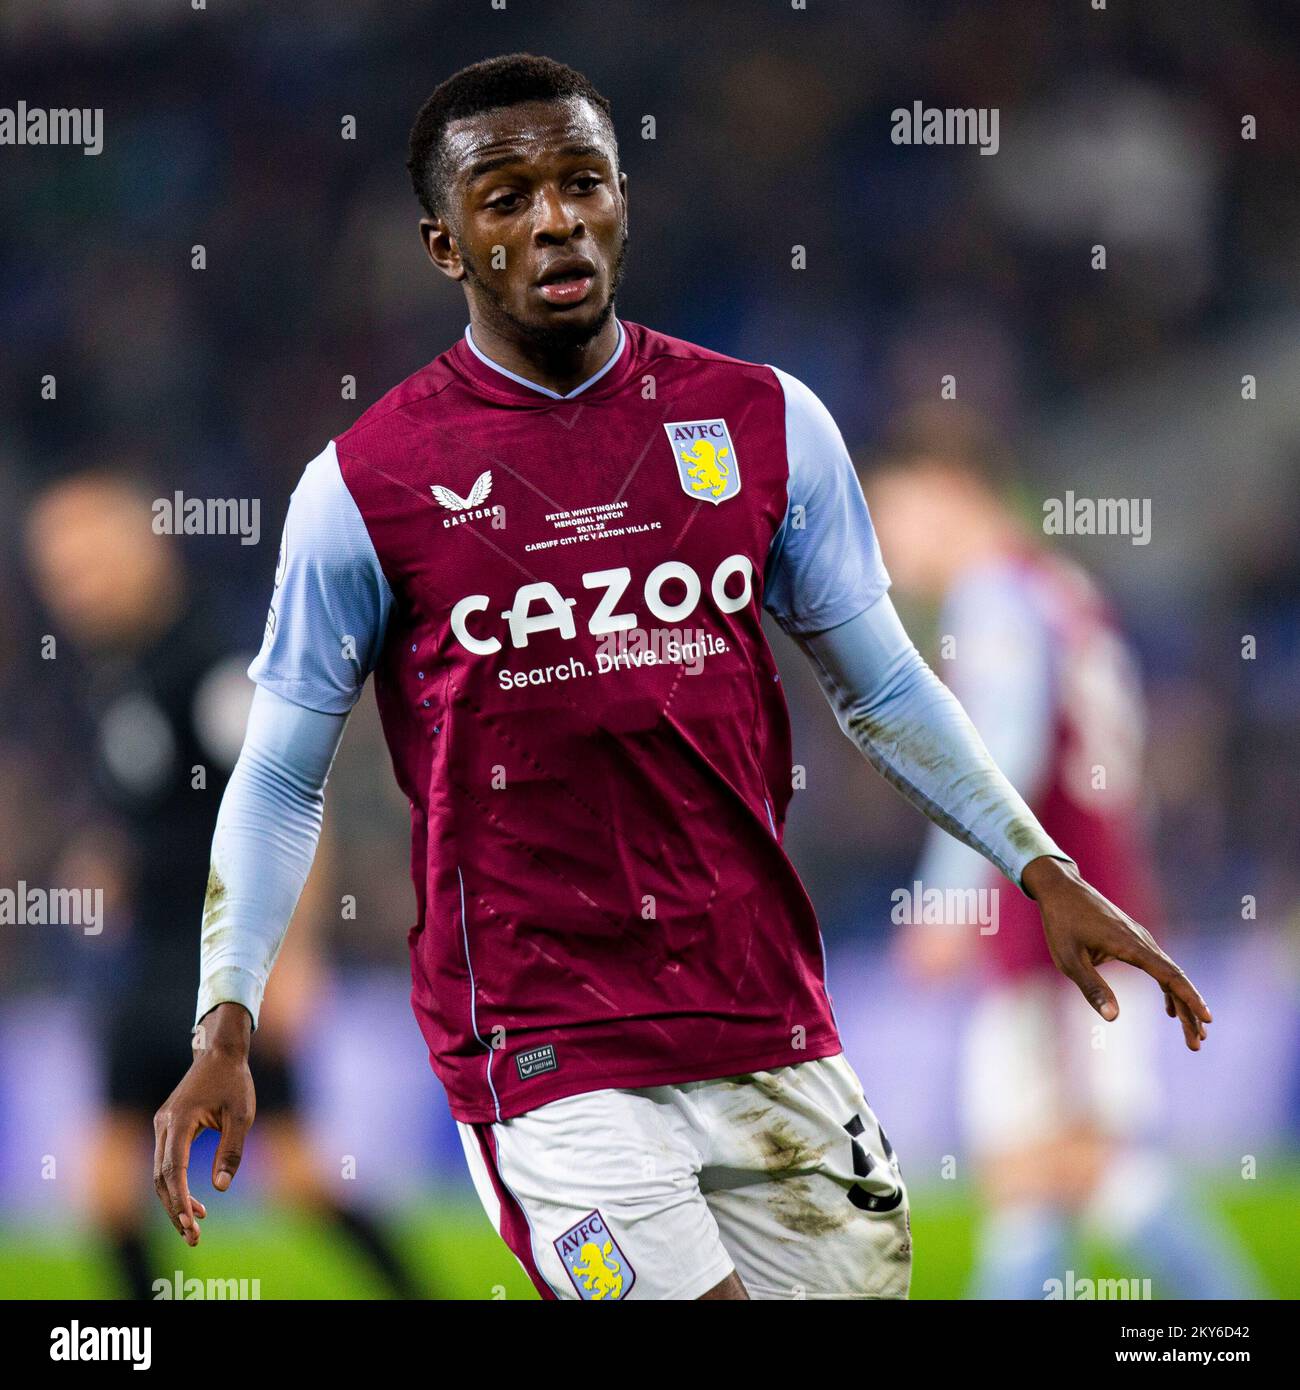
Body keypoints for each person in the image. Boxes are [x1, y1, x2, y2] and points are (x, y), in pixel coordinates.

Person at [152, 54, 1211, 1301]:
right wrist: (227, 1015)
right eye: (504, 197)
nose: (554, 218)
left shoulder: (765, 421)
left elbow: (885, 689)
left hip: (762, 1014)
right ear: (444, 245)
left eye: (581, 181)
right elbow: (279, 773)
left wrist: (1039, 865)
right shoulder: (366, 484)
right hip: (540, 1039)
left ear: (620, 200)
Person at [865, 407, 1260, 1299]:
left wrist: (944, 898)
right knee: (1034, 1175)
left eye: (894, 514)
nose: (886, 548)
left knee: (1078, 1164)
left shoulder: (993, 595)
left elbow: (1003, 754)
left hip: (1055, 932)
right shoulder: (1058, 584)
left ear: (949, 489)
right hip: (1089, 910)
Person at [25, 473, 423, 1299]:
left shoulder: (210, 670)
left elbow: (288, 803)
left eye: (90, 564)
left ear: (144, 550)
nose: (76, 589)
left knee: (301, 1176)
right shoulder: (120, 674)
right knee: (102, 1184)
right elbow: (159, 812)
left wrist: (293, 958)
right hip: (151, 965)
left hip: (221, 961)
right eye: (60, 574)